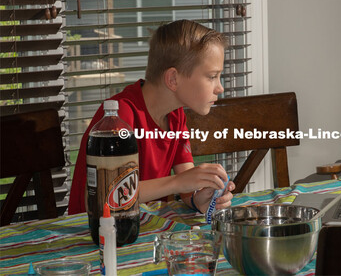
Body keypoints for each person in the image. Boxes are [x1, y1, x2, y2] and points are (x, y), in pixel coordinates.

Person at [68, 20, 235, 215]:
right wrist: (177, 182)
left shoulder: (176, 115)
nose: (220, 87)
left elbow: (187, 187)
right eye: (212, 76)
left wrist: (201, 198)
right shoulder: (120, 115)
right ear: (173, 79)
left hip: (141, 228)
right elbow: (101, 198)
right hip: (95, 234)